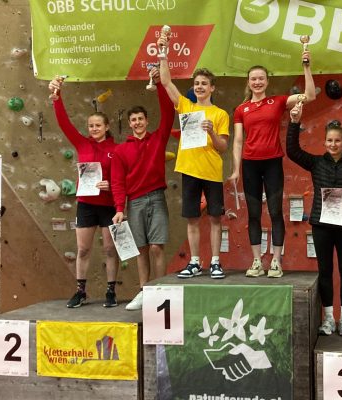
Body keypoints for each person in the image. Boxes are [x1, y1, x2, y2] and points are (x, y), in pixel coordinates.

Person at [286, 103, 342, 336]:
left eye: (337, 141)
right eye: (329, 141)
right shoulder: (317, 163)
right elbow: (292, 152)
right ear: (324, 143)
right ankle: (328, 320)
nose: (333, 144)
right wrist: (294, 122)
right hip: (321, 225)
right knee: (325, 270)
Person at [228, 51, 316, 278]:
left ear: (267, 81)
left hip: (273, 163)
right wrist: (235, 169)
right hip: (250, 166)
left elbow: (309, 95)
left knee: (276, 212)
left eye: (261, 78)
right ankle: (257, 261)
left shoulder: (277, 101)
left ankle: (276, 261)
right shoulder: (241, 109)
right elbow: (238, 141)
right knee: (254, 214)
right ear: (249, 82)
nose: (257, 82)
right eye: (253, 79)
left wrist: (306, 67)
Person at [157, 35, 230, 279]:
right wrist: (163, 54)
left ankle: (216, 262)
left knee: (216, 218)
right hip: (189, 170)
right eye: (197, 83)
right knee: (192, 219)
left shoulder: (219, 114)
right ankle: (196, 262)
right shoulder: (186, 106)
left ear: (212, 88)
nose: (199, 87)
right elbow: (166, 82)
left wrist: (211, 132)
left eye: (204, 84)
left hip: (212, 172)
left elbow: (223, 147)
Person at [48, 78, 119, 308]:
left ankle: (111, 291)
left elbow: (122, 179)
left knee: (110, 249)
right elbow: (64, 123)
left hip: (109, 205)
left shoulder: (115, 150)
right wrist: (57, 98)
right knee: (83, 249)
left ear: (107, 127)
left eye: (98, 125)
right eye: (91, 126)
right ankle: (81, 291)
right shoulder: (81, 144)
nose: (94, 129)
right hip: (86, 204)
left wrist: (111, 185)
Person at [111, 67, 175, 310]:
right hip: (134, 202)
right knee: (142, 249)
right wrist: (119, 208)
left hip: (157, 198)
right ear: (130, 124)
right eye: (133, 120)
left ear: (147, 121)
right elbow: (117, 182)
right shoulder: (120, 150)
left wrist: (159, 84)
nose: (137, 123)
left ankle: (161, 289)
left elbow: (168, 112)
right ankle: (144, 291)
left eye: (141, 119)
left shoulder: (158, 139)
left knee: (158, 246)